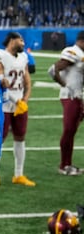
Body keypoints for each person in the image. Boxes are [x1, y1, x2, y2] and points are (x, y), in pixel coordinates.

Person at [0, 31, 35, 188]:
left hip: (19, 105)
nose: (23, 43)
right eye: (20, 40)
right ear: (12, 40)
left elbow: (27, 79)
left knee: (20, 138)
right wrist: (16, 100)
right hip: (2, 104)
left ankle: (18, 174)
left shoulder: (23, 57)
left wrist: (25, 100)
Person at [49, 30, 84, 175]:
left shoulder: (80, 54)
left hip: (78, 96)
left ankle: (68, 164)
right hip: (70, 96)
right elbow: (53, 70)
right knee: (69, 131)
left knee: (72, 131)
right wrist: (65, 85)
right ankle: (64, 165)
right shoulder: (73, 52)